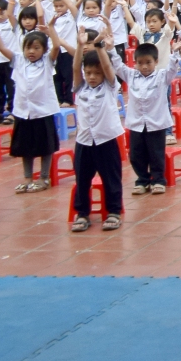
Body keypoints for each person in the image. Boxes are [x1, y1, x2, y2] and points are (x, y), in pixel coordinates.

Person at [61, 26, 126, 232]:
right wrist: (80, 46)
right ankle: (82, 213)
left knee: (111, 178)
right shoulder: (81, 88)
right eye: (88, 73)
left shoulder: (110, 86)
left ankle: (114, 211)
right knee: (82, 179)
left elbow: (106, 66)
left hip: (106, 139)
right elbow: (75, 68)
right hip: (84, 141)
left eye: (96, 73)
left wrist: (99, 46)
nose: (92, 77)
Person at [0, 14, 60, 194]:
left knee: (45, 146)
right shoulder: (18, 60)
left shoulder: (47, 61)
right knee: (25, 146)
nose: (31, 51)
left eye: (36, 48)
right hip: (23, 111)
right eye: (28, 48)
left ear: (43, 50)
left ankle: (44, 177)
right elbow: (1, 47)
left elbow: (56, 47)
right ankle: (27, 178)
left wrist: (51, 29)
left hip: (43, 111)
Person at [112, 41, 173, 196]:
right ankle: (142, 180)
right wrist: (110, 48)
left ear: (156, 61)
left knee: (156, 153)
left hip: (156, 123)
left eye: (148, 62)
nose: (144, 66)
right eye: (140, 63)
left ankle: (158, 180)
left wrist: (175, 53)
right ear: (135, 63)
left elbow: (172, 69)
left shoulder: (162, 76)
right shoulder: (131, 75)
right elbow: (118, 66)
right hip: (136, 123)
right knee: (136, 154)